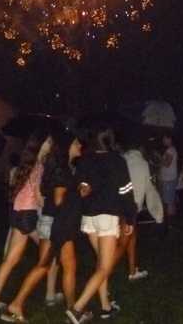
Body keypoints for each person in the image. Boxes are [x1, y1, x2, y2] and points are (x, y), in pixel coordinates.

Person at [0, 134, 83, 322]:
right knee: (67, 267)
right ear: (67, 145)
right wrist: (79, 196)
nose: (80, 145)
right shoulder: (62, 169)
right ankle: (73, 311)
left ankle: (16, 305)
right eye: (76, 142)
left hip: (50, 221)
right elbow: (59, 199)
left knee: (44, 265)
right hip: (59, 224)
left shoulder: (58, 167)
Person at [65, 126, 137, 324]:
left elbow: (81, 188)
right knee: (105, 267)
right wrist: (130, 218)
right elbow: (126, 192)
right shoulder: (117, 161)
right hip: (107, 217)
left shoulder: (85, 160)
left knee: (100, 265)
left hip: (89, 218)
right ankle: (77, 309)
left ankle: (105, 306)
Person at [0, 133, 51, 313]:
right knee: (50, 253)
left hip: (16, 214)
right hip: (27, 216)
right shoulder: (39, 167)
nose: (51, 145)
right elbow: (38, 198)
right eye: (48, 142)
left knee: (10, 261)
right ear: (41, 146)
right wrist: (52, 204)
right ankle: (51, 295)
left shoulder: (26, 165)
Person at [117, 136, 163, 281]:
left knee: (132, 238)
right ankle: (103, 274)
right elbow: (148, 190)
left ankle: (132, 270)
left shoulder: (121, 159)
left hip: (118, 205)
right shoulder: (142, 163)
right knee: (122, 245)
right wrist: (158, 212)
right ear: (140, 149)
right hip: (130, 208)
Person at [158, 134, 179, 223]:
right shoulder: (170, 150)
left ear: (169, 139)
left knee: (169, 202)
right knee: (169, 200)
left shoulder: (171, 150)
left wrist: (159, 157)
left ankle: (169, 223)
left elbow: (167, 164)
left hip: (169, 179)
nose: (163, 140)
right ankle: (170, 223)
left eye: (165, 138)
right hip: (169, 179)